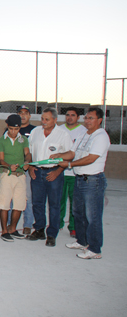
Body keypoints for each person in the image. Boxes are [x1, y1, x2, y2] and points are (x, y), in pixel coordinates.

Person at [59, 107, 110, 259]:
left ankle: (95, 249)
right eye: (86, 118)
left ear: (99, 120)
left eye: (91, 118)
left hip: (93, 181)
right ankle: (82, 241)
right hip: (79, 179)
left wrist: (69, 165)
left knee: (92, 216)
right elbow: (72, 153)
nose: (87, 121)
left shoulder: (101, 136)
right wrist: (59, 156)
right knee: (78, 213)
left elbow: (91, 158)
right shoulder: (83, 134)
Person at [26, 107, 73, 247]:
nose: (44, 122)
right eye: (42, 119)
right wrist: (30, 166)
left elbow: (71, 154)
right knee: (37, 203)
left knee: (54, 205)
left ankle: (52, 234)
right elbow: (28, 151)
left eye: (47, 119)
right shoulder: (35, 132)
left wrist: (58, 170)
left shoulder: (62, 134)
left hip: (54, 173)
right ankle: (39, 229)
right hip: (37, 172)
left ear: (55, 120)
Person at [0, 114, 32, 242]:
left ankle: (12, 228)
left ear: (20, 128)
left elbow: (27, 154)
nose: (13, 132)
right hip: (7, 174)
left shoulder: (24, 140)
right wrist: (9, 166)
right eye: (11, 129)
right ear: (7, 126)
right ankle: (4, 231)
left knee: (19, 204)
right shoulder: (1, 140)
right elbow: (1, 159)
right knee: (4, 204)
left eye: (16, 129)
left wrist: (27, 162)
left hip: (21, 175)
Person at [59, 107, 87, 238]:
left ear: (78, 117)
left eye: (73, 115)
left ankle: (73, 227)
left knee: (75, 202)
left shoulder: (84, 131)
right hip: (61, 172)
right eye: (67, 115)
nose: (70, 117)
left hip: (75, 172)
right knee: (59, 200)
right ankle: (57, 224)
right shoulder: (59, 130)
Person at [17, 105, 37, 235]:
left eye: (26, 113)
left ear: (29, 116)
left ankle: (28, 224)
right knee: (12, 198)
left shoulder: (35, 130)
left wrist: (31, 165)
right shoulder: (11, 130)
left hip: (28, 168)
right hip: (14, 169)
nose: (23, 115)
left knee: (29, 198)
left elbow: (36, 149)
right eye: (20, 113)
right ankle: (9, 223)